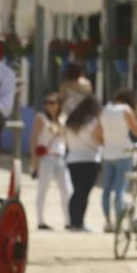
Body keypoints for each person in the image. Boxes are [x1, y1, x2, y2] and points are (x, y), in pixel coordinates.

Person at [100, 89, 137, 233]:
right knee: (119, 190)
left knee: (106, 191)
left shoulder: (105, 109)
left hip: (108, 153)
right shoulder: (126, 110)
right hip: (124, 152)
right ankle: (118, 221)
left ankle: (107, 222)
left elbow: (100, 133)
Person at [31, 92, 72, 231]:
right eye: (47, 102)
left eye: (53, 102)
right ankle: (41, 220)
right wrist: (34, 161)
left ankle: (68, 220)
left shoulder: (63, 118)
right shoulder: (41, 118)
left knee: (66, 189)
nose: (49, 105)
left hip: (60, 156)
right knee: (43, 189)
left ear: (59, 104)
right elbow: (35, 139)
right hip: (46, 157)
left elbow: (66, 139)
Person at [64, 94, 104, 232]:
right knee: (84, 193)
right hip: (89, 160)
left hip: (72, 159)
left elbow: (66, 141)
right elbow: (99, 140)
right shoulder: (93, 121)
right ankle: (79, 223)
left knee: (76, 192)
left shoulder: (70, 121)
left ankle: (72, 221)